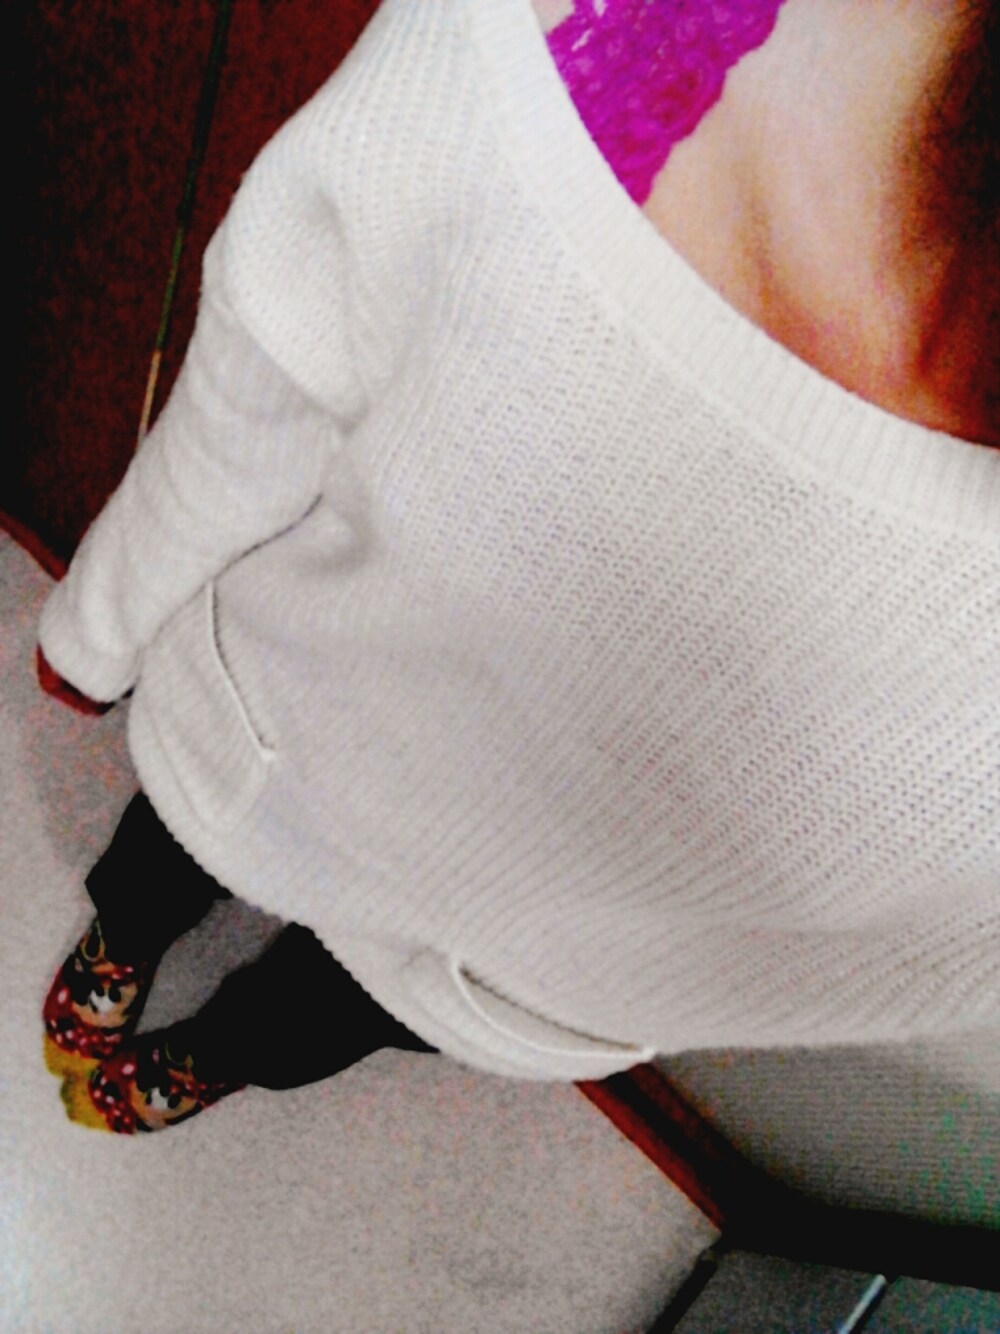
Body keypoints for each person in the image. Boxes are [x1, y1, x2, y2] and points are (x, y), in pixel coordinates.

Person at [38, 0, 998, 1134]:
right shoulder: (588, 38)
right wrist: (101, 627)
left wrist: (99, 631)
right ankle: (128, 934)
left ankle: (218, 1049)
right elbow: (267, 380)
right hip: (292, 741)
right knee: (174, 854)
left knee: (311, 1017)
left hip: (495, 959)